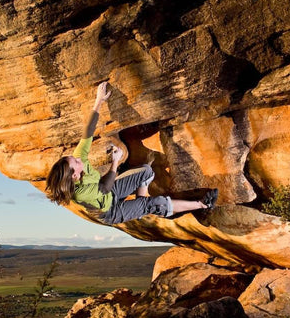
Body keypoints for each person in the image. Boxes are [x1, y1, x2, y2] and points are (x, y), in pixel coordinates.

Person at [46, 82, 218, 224]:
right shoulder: (80, 192)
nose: (77, 157)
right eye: (75, 162)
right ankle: (202, 204)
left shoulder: (79, 160)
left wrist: (99, 100)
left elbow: (88, 132)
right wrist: (115, 161)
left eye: (73, 157)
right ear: (75, 176)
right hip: (110, 211)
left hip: (111, 192)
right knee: (155, 203)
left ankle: (140, 207)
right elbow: (104, 188)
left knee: (146, 171)